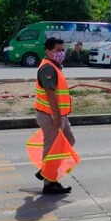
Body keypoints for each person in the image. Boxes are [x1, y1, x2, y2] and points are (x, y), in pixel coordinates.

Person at [34, 37, 75, 195]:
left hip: (59, 115)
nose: (61, 53)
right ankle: (49, 183)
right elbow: (50, 93)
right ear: (48, 51)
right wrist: (56, 115)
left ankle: (46, 170)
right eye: (58, 50)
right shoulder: (48, 68)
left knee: (69, 141)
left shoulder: (55, 66)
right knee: (51, 149)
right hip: (51, 116)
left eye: (62, 50)